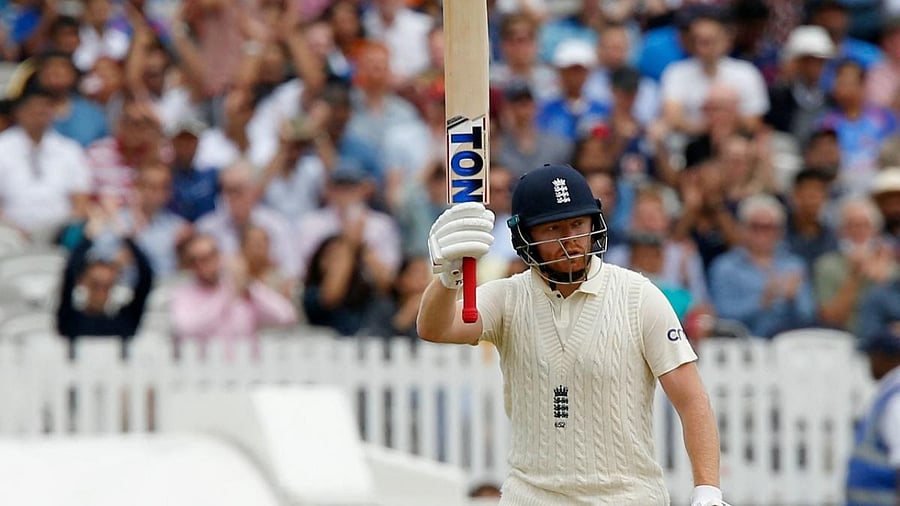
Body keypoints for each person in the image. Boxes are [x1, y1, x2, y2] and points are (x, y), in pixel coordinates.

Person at [417, 164, 725, 505]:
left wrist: (708, 490)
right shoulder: (508, 297)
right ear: (525, 236)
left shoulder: (638, 296)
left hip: (627, 497)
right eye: (553, 228)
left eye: (578, 224)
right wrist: (448, 275)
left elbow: (692, 400)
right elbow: (435, 328)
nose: (570, 241)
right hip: (531, 497)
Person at [845, 322, 900, 505]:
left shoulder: (896, 399)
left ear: (885, 357)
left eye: (872, 355)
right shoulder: (890, 391)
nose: (869, 363)